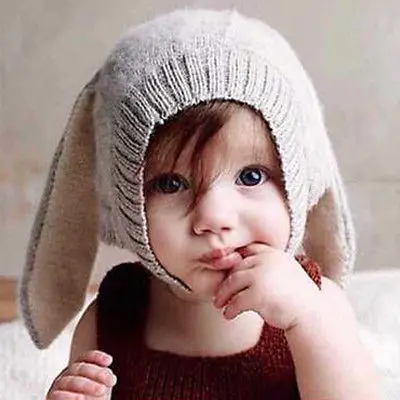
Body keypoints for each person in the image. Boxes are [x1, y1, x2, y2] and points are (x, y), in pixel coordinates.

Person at [19, 8, 382, 400]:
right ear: (128, 202)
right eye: (172, 183)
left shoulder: (317, 305)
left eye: (251, 176)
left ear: (295, 182)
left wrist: (306, 319)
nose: (214, 218)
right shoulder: (110, 320)